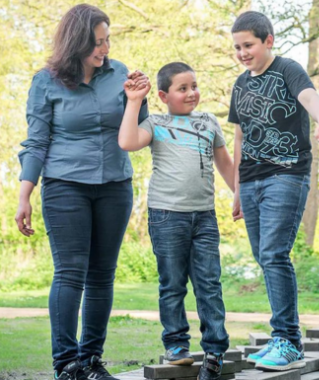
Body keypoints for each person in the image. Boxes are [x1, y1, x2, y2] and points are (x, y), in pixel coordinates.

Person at [14, 4, 149, 380]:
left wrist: (139, 95)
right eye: (97, 43)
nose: (104, 49)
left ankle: (90, 361)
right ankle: (66, 364)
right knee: (71, 273)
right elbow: (36, 141)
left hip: (115, 186)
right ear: (76, 42)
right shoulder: (46, 81)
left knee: (103, 275)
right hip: (64, 186)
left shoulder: (119, 73)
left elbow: (138, 128)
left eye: (107, 41)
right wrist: (25, 194)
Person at [228, 11, 319, 371]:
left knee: (274, 254)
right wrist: (236, 190)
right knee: (265, 257)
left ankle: (289, 342)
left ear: (268, 41)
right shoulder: (240, 84)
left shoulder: (288, 69)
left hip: (286, 175)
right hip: (251, 181)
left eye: (249, 45)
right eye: (237, 47)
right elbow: (240, 136)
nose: (243, 53)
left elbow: (309, 97)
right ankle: (282, 338)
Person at [118, 62, 233, 380]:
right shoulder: (155, 122)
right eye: (183, 88)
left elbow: (226, 164)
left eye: (194, 86)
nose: (192, 93)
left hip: (205, 217)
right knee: (172, 284)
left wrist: (240, 196)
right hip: (167, 216)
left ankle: (214, 351)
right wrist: (133, 101)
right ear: (164, 95)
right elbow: (127, 141)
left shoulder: (209, 121)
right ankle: (177, 345)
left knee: (209, 284)